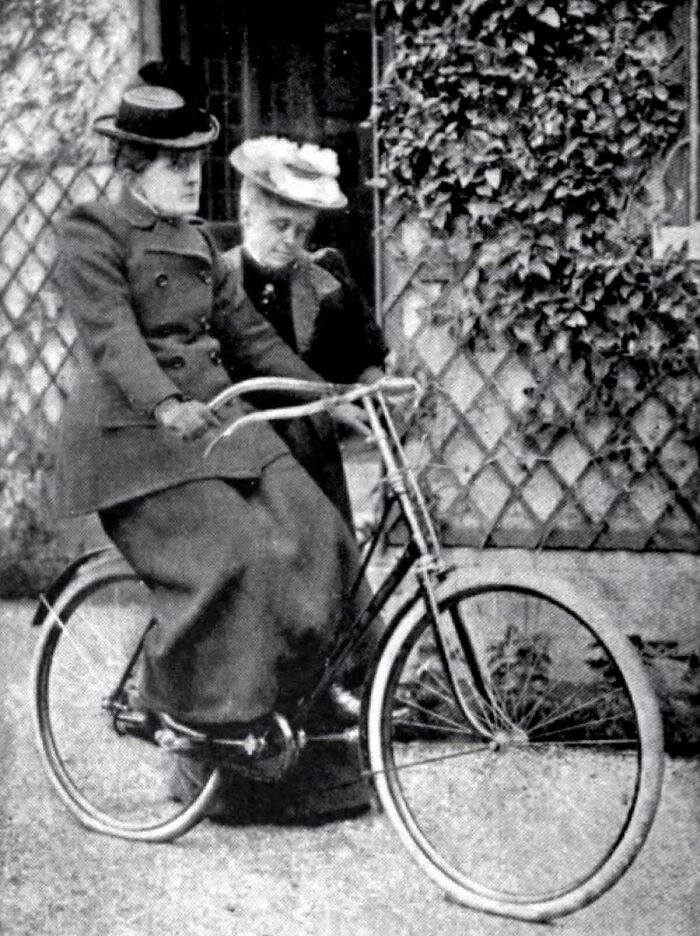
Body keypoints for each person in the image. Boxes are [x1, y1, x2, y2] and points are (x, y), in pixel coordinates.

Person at [54, 62, 373, 818]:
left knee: (317, 529)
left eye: (197, 162)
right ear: (133, 165)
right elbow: (113, 339)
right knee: (238, 555)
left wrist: (328, 399)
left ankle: (307, 711)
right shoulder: (93, 230)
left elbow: (252, 339)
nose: (192, 177)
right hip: (132, 441)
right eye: (175, 164)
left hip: (208, 426)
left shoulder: (197, 240)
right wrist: (165, 402)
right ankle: (181, 708)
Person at [218, 137, 388, 527]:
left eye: (303, 230)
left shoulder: (324, 280)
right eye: (280, 226)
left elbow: (357, 360)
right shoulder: (217, 279)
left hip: (311, 449)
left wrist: (379, 389)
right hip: (241, 451)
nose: (291, 241)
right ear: (246, 214)